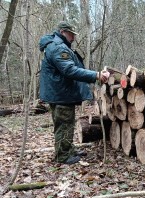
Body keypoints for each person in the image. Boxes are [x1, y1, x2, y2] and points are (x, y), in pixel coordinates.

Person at [39, 21, 109, 164]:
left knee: (67, 123)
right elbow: (69, 70)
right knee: (64, 125)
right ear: (63, 32)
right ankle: (63, 156)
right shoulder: (58, 48)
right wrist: (95, 75)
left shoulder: (57, 45)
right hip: (61, 95)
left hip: (62, 93)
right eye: (71, 34)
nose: (73, 38)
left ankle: (68, 149)